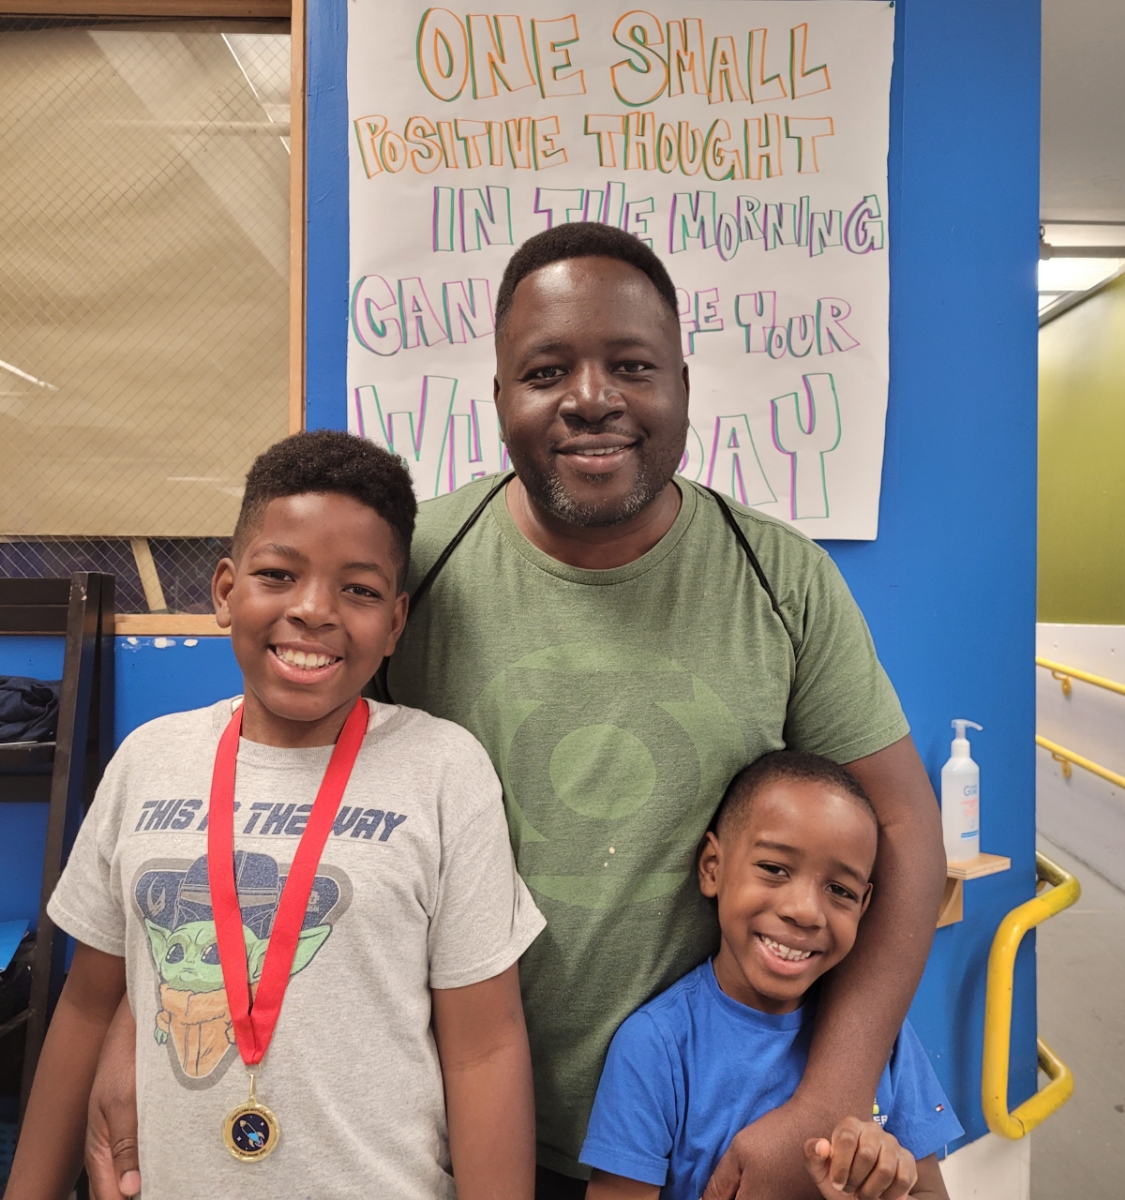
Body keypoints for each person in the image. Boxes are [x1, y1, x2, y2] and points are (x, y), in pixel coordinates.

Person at [86, 224, 946, 1200]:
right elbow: (262, 784)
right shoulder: (415, 571)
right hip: (435, 1134)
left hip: (702, 1151)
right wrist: (135, 1019)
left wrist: (826, 1099)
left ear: (683, 387)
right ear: (499, 398)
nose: (590, 398)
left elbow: (906, 828)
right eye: (546, 370)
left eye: (631, 364)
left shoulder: (781, 579)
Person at [7, 431, 544, 1200]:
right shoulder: (150, 759)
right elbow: (89, 1006)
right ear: (226, 590)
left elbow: (485, 1048)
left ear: (394, 624)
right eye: (278, 574)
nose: (314, 610)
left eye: (358, 590)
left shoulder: (444, 772)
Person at [579, 751, 961, 1200]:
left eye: (840, 890)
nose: (804, 912)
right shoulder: (656, 1048)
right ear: (712, 868)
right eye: (774, 869)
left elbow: (930, 1193)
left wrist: (884, 1189)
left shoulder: (884, 1039)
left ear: (864, 905)